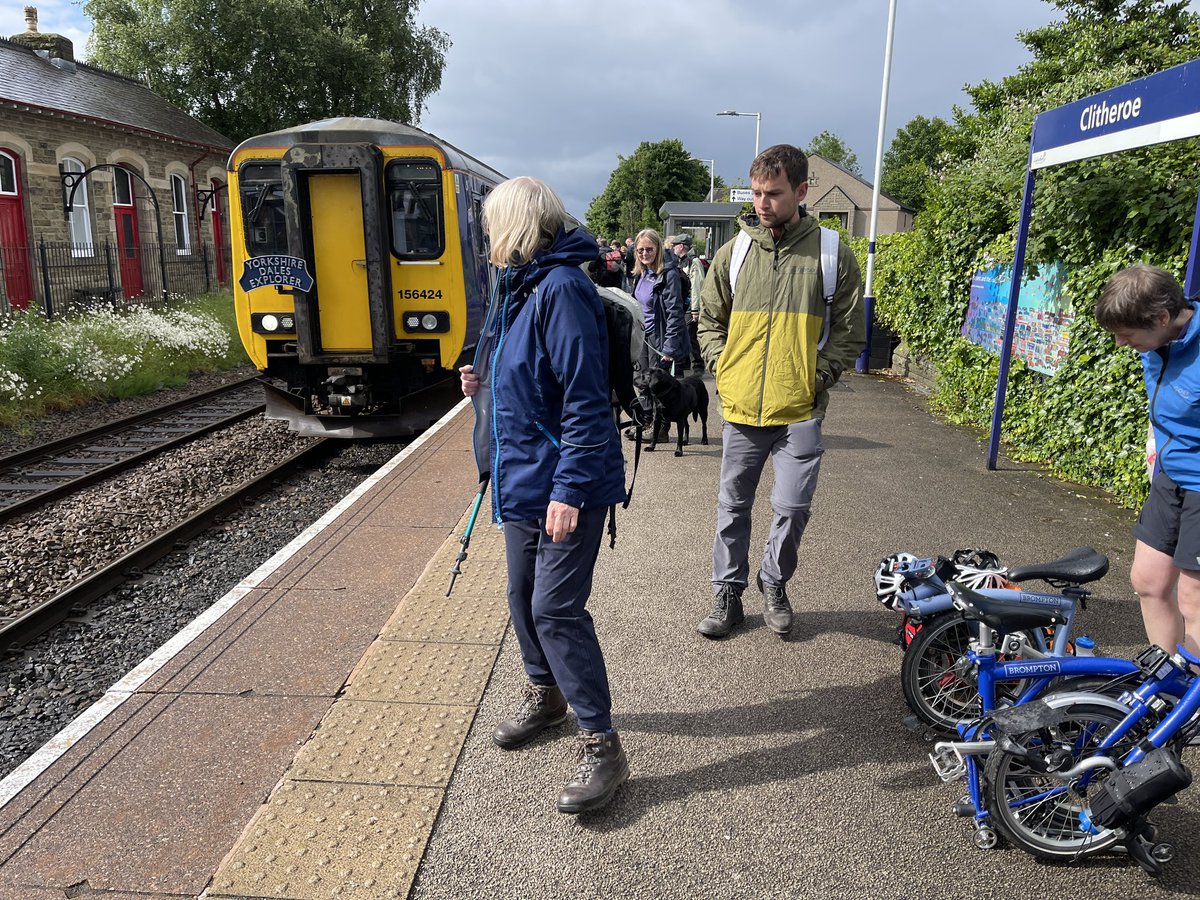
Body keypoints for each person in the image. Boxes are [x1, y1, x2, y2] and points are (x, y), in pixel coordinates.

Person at [458, 176, 630, 813]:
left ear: (518, 228)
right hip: (523, 475)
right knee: (522, 596)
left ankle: (602, 745)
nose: (487, 239)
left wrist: (570, 490)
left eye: (492, 227)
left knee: (556, 609)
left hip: (562, 480)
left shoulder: (561, 288)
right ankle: (547, 695)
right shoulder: (518, 286)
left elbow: (585, 400)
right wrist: (482, 380)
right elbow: (527, 378)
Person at [696, 144, 865, 638]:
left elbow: (851, 331)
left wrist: (817, 377)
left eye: (772, 193)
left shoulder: (831, 252)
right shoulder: (734, 252)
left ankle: (774, 581)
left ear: (801, 191)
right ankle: (728, 593)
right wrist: (725, 369)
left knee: (793, 508)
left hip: (800, 409)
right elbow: (708, 321)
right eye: (756, 193)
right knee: (732, 509)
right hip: (742, 405)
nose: (762, 203)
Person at [1095, 264, 1200, 656]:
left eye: (1127, 334)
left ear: (1161, 318)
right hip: (1171, 474)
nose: (1119, 343)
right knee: (1148, 581)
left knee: (1193, 600)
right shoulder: (1157, 341)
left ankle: (1193, 692)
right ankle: (1166, 677)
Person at [630, 228, 689, 373]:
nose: (645, 253)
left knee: (655, 382)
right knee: (639, 379)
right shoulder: (641, 272)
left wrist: (669, 348)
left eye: (649, 249)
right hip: (641, 336)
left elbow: (675, 313)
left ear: (658, 248)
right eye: (640, 250)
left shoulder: (669, 274)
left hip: (658, 337)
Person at [670, 234, 707, 374]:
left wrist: (695, 309)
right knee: (683, 333)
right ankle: (684, 363)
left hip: (690, 306)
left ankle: (698, 365)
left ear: (681, 246)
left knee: (691, 336)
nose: (673, 248)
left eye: (675, 246)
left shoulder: (694, 262)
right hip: (683, 304)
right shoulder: (680, 261)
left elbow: (697, 286)